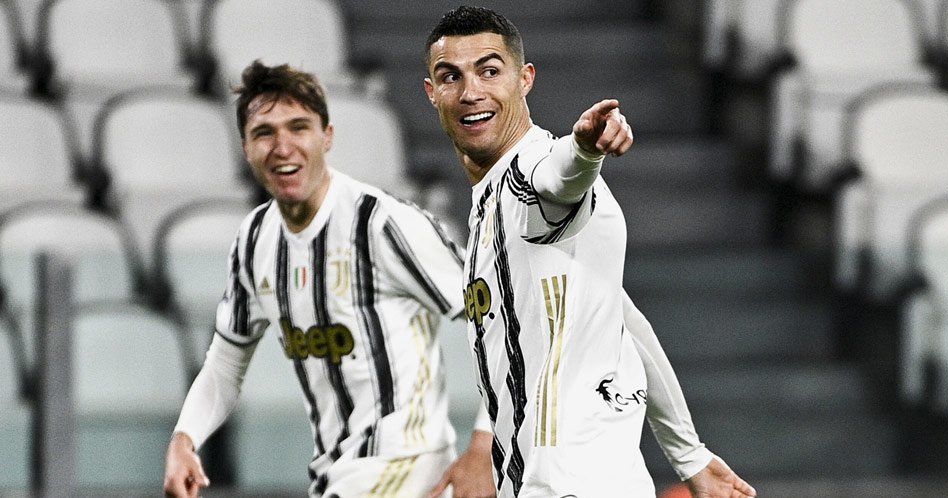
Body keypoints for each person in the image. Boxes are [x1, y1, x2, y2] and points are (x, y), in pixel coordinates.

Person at [422, 6, 757, 498]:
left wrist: (584, 151)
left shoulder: (530, 171)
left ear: (524, 79)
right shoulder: (488, 202)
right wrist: (689, 455)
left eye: (489, 71)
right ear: (432, 92)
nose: (471, 91)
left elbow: (556, 179)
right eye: (451, 76)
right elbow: (626, 324)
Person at [163, 61, 496, 498]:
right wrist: (184, 439)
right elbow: (225, 363)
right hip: (335, 477)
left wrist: (485, 446)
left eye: (298, 128)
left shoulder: (381, 224)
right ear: (245, 148)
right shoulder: (256, 240)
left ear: (327, 137)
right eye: (264, 133)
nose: (282, 147)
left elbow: (501, 316)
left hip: (408, 469)